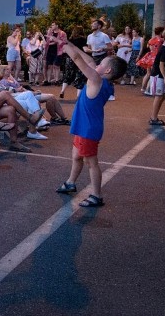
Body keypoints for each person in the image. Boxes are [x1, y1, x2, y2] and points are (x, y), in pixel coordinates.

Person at [52, 34, 127, 208]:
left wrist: (62, 44)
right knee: (76, 156)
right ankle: (71, 182)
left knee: (91, 163)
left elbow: (78, 59)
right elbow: (87, 58)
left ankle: (96, 196)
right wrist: (69, 42)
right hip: (84, 127)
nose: (97, 64)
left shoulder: (96, 80)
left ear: (107, 71)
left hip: (88, 130)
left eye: (102, 64)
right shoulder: (100, 80)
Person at [149, 29, 165, 126]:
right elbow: (161, 65)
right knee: (159, 97)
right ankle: (153, 118)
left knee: (162, 97)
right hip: (157, 75)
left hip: (159, 75)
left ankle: (154, 117)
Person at [60, 26, 87, 99]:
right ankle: (78, 95)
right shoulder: (82, 39)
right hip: (79, 58)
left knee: (67, 74)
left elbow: (65, 50)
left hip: (69, 58)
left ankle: (62, 91)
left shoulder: (70, 39)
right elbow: (85, 49)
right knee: (79, 76)